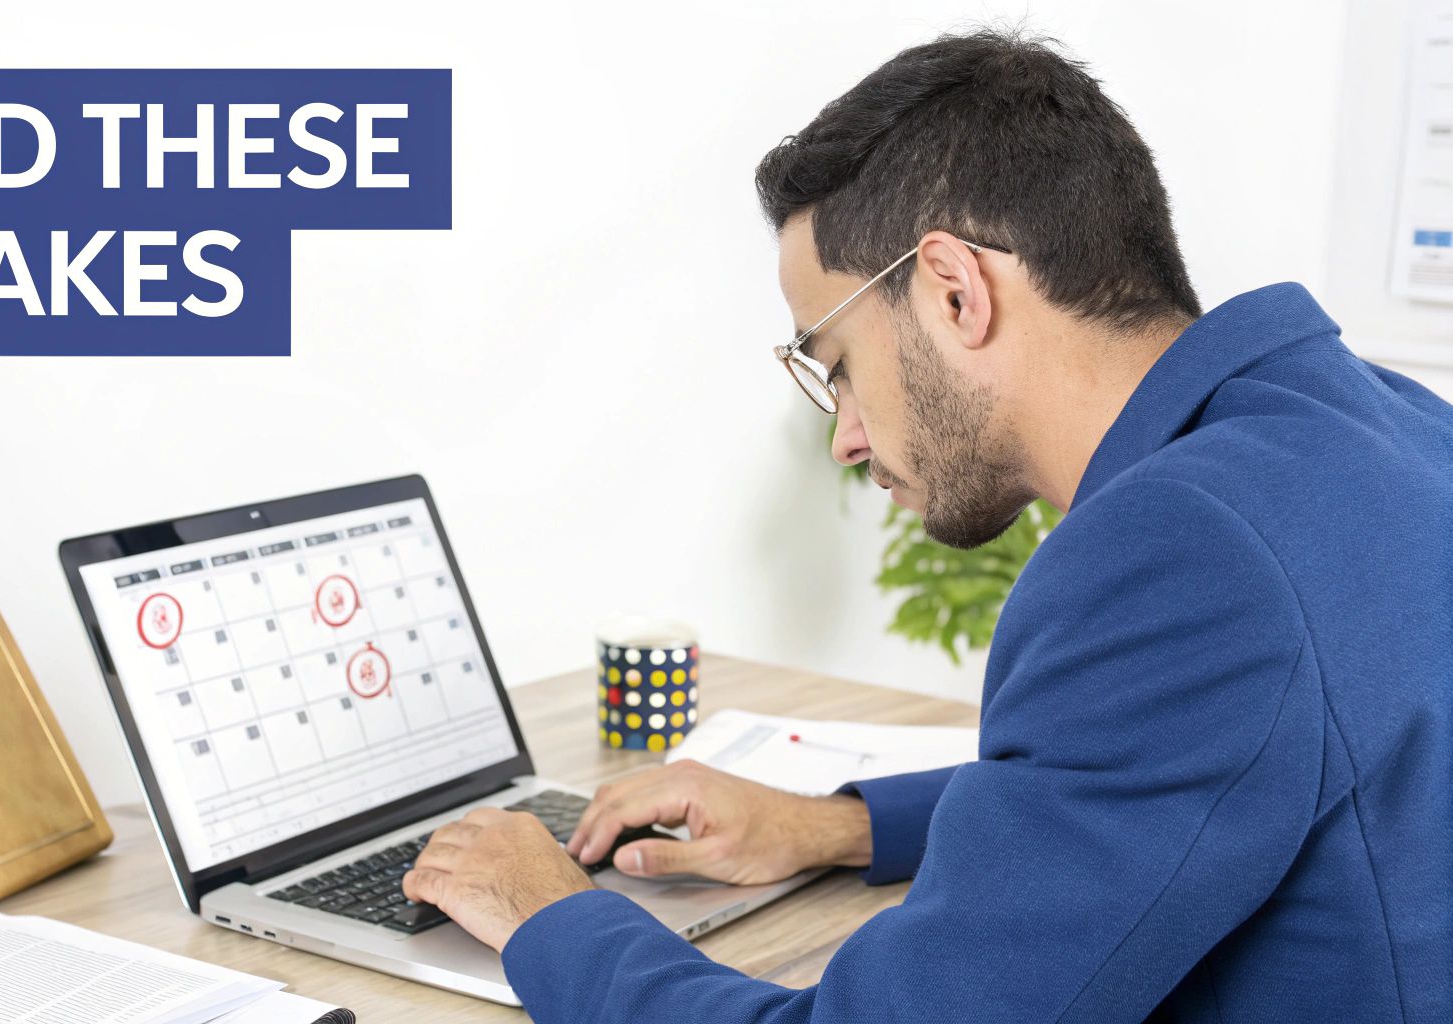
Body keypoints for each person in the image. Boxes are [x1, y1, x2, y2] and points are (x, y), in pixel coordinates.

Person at [399, 29, 1453, 1022]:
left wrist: (553, 919)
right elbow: (1166, 765)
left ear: (953, 290)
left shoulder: (1180, 552)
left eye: (838, 365)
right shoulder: (1374, 426)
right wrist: (838, 825)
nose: (845, 439)